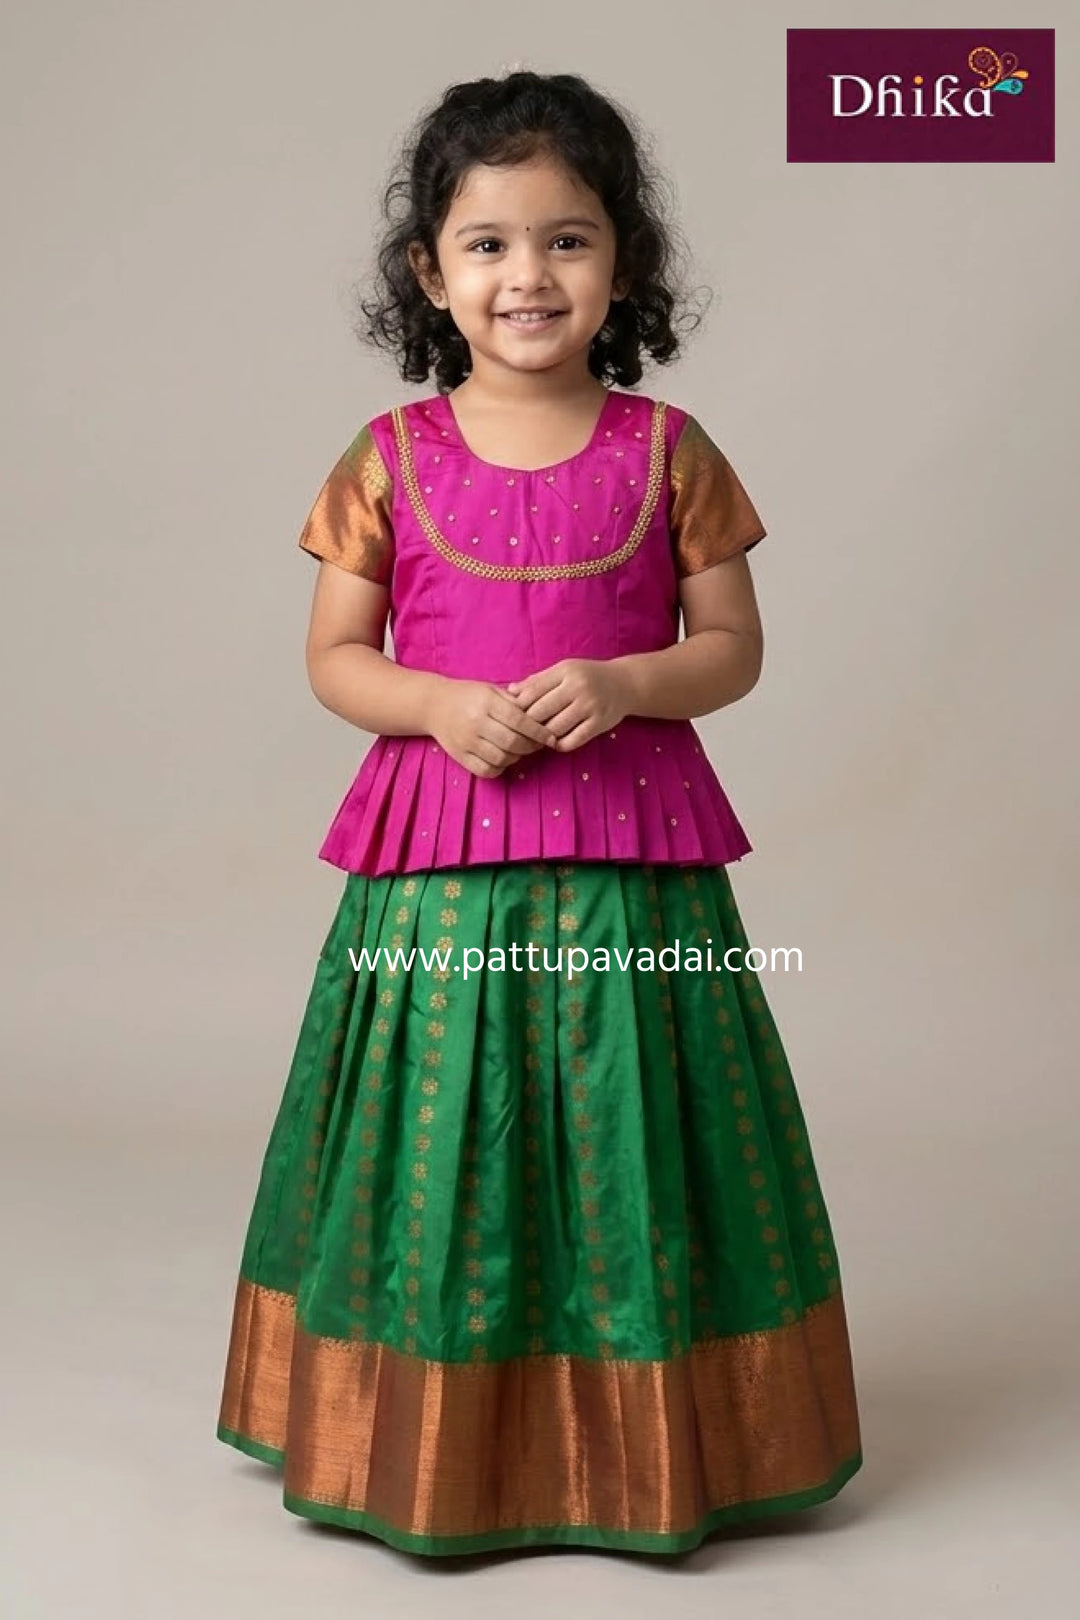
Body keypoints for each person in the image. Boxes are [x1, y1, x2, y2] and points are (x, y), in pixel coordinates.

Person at [216, 67, 863, 1558]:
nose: (529, 275)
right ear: (429, 278)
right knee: (444, 1143)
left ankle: (648, 1446)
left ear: (623, 262)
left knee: (639, 1135)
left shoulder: (670, 451)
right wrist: (441, 706)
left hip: (637, 879)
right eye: (490, 244)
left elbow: (735, 650)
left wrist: (632, 681)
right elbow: (335, 659)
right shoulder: (387, 461)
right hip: (441, 876)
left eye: (568, 240)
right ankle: (438, 1450)